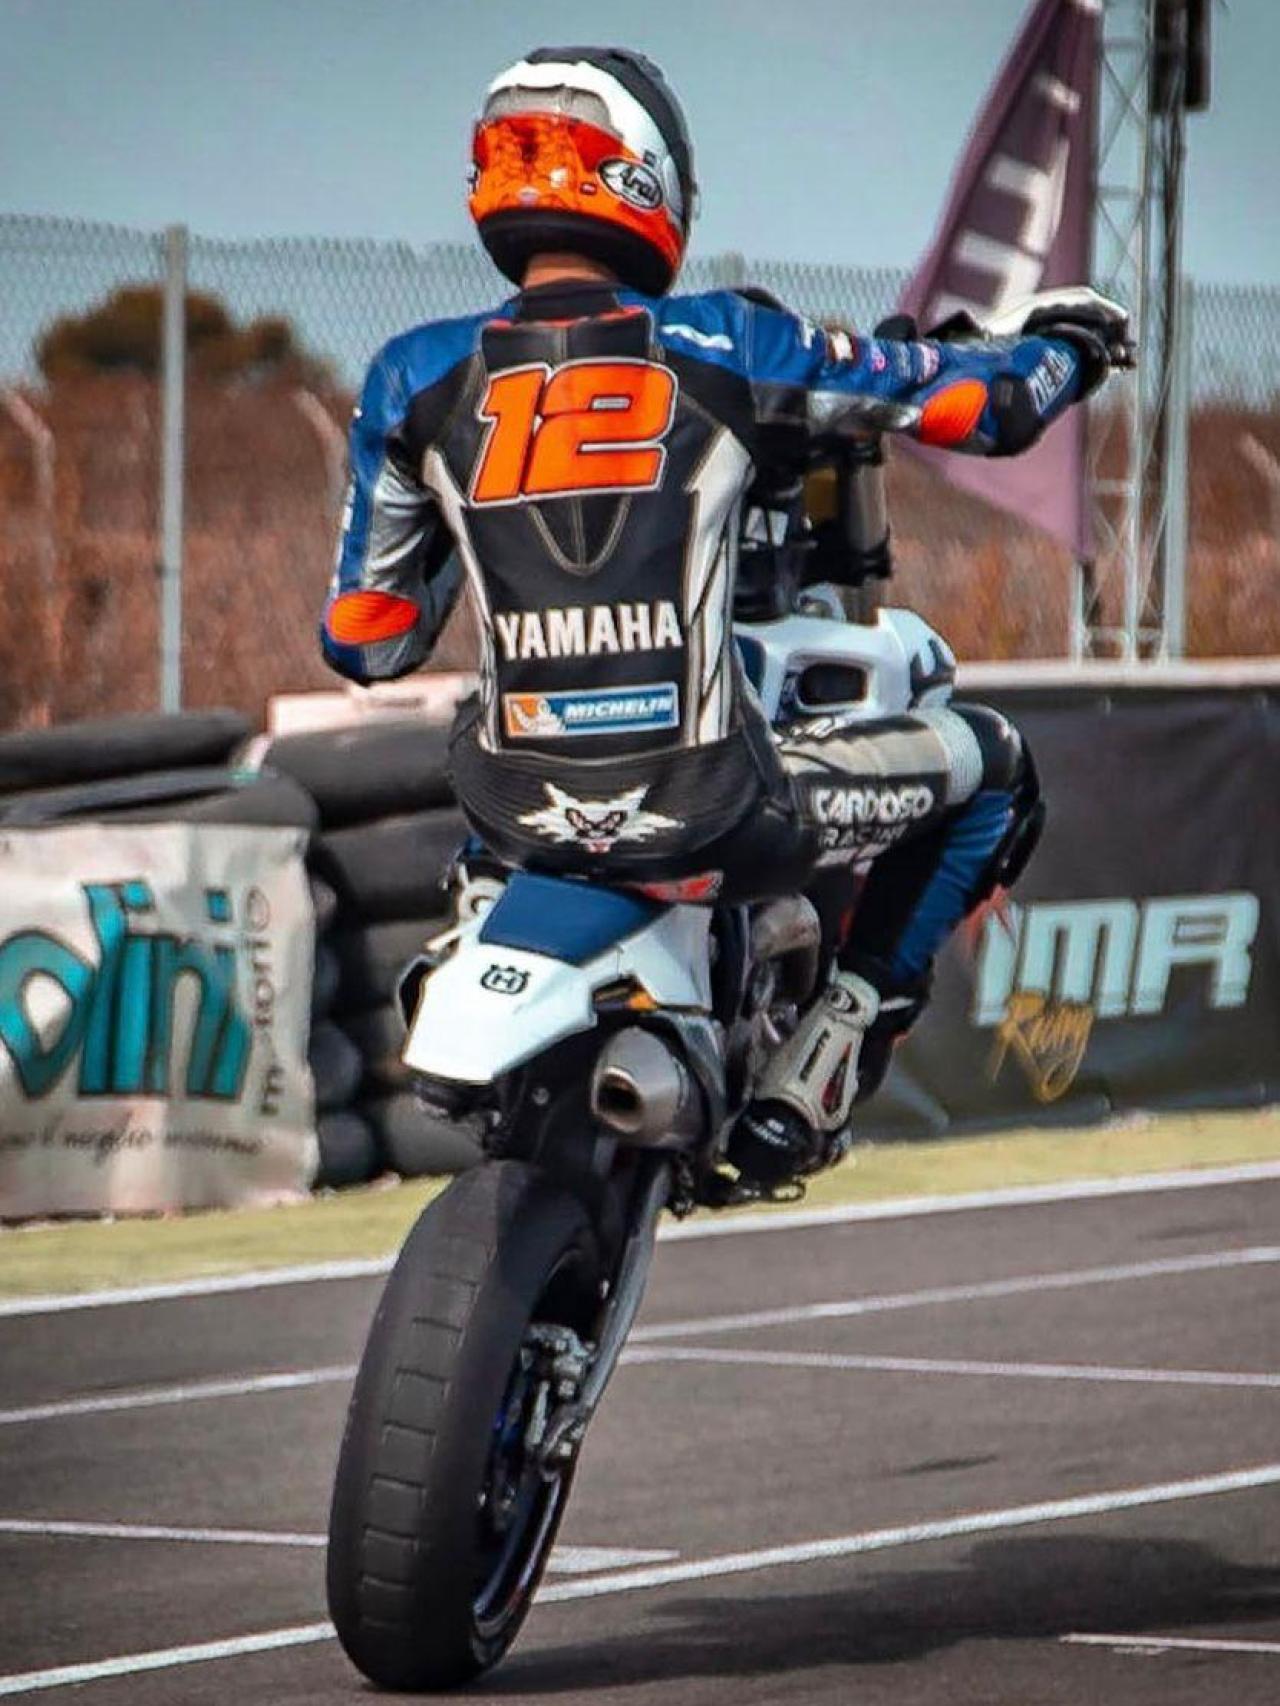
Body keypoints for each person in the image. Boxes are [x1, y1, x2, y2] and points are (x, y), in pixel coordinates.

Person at [319, 46, 1129, 1184]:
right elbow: (976, 406)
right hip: (710, 805)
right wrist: (1064, 348)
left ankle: (476, 918)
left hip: (510, 808)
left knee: (493, 741)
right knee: (992, 768)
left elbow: (367, 638)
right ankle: (821, 1066)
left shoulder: (413, 376)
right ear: (647, 180)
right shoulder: (726, 343)